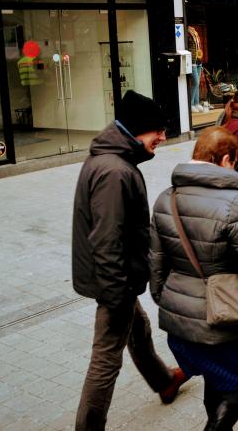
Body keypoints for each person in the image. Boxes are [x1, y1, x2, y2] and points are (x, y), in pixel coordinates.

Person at [149, 127, 238, 430]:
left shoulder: (166, 199)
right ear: (226, 159)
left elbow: (156, 266)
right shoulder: (233, 203)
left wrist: (169, 302)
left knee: (217, 382)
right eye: (235, 163)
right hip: (223, 321)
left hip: (180, 320)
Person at [72, 91, 187, 430]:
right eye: (158, 131)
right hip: (113, 280)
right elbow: (106, 240)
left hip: (117, 276)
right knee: (106, 359)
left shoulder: (115, 160)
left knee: (138, 329)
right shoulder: (114, 171)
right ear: (137, 130)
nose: (163, 138)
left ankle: (163, 380)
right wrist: (115, 292)